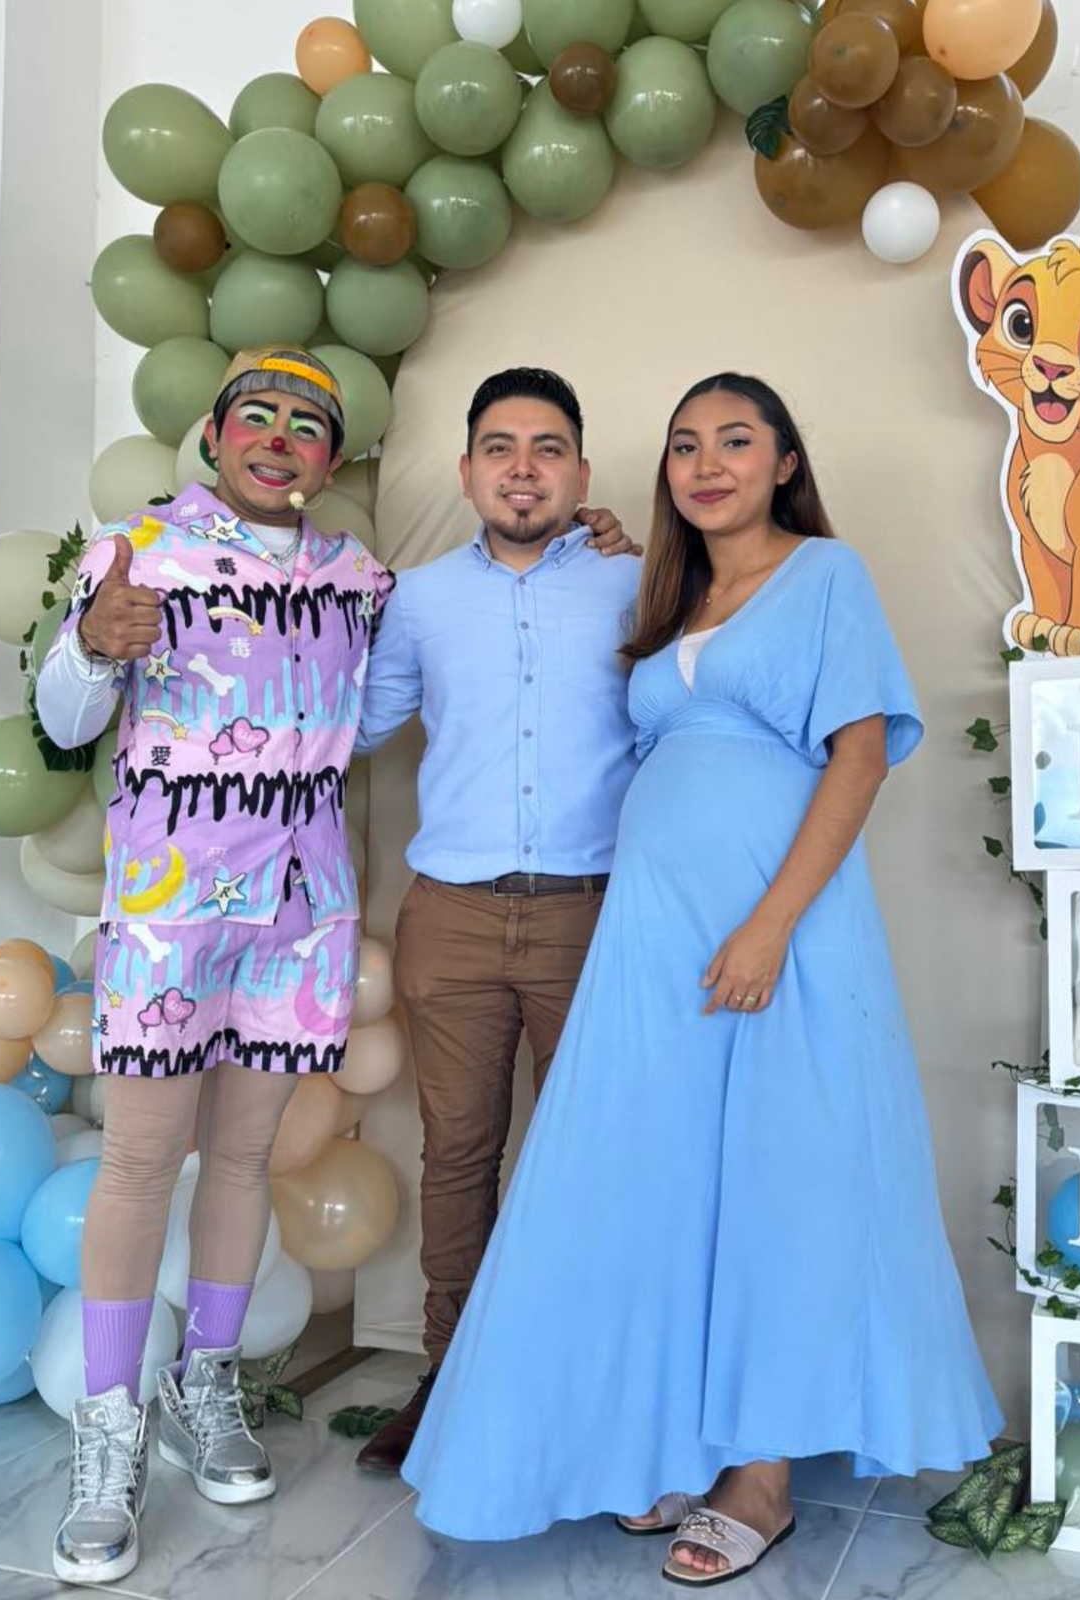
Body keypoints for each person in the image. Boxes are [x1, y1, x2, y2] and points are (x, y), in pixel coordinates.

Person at [401, 373, 1003, 1587]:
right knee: (659, 1177)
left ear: (785, 461)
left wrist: (772, 924)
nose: (706, 462)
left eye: (736, 439)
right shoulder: (661, 595)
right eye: (684, 445)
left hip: (775, 922)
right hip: (651, 932)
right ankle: (672, 1438)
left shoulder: (824, 575)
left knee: (781, 1175)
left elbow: (858, 755)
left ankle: (760, 1476)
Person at [34, 347, 393, 1586]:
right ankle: (108, 1433)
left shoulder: (358, 578)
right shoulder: (138, 551)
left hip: (298, 913)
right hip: (168, 912)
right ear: (216, 433)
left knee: (242, 1157)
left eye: (306, 425)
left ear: (329, 460)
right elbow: (66, 721)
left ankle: (209, 1382)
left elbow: (401, 690)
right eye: (259, 416)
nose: (279, 437)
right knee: (141, 1159)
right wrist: (93, 643)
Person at [350, 368, 641, 1474]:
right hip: (453, 921)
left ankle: (580, 1390)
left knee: (588, 1161)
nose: (524, 468)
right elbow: (353, 728)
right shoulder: (418, 598)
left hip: (592, 917)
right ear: (469, 471)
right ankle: (451, 1381)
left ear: (580, 470)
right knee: (458, 1155)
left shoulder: (636, 584)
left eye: (548, 448)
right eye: (501, 448)